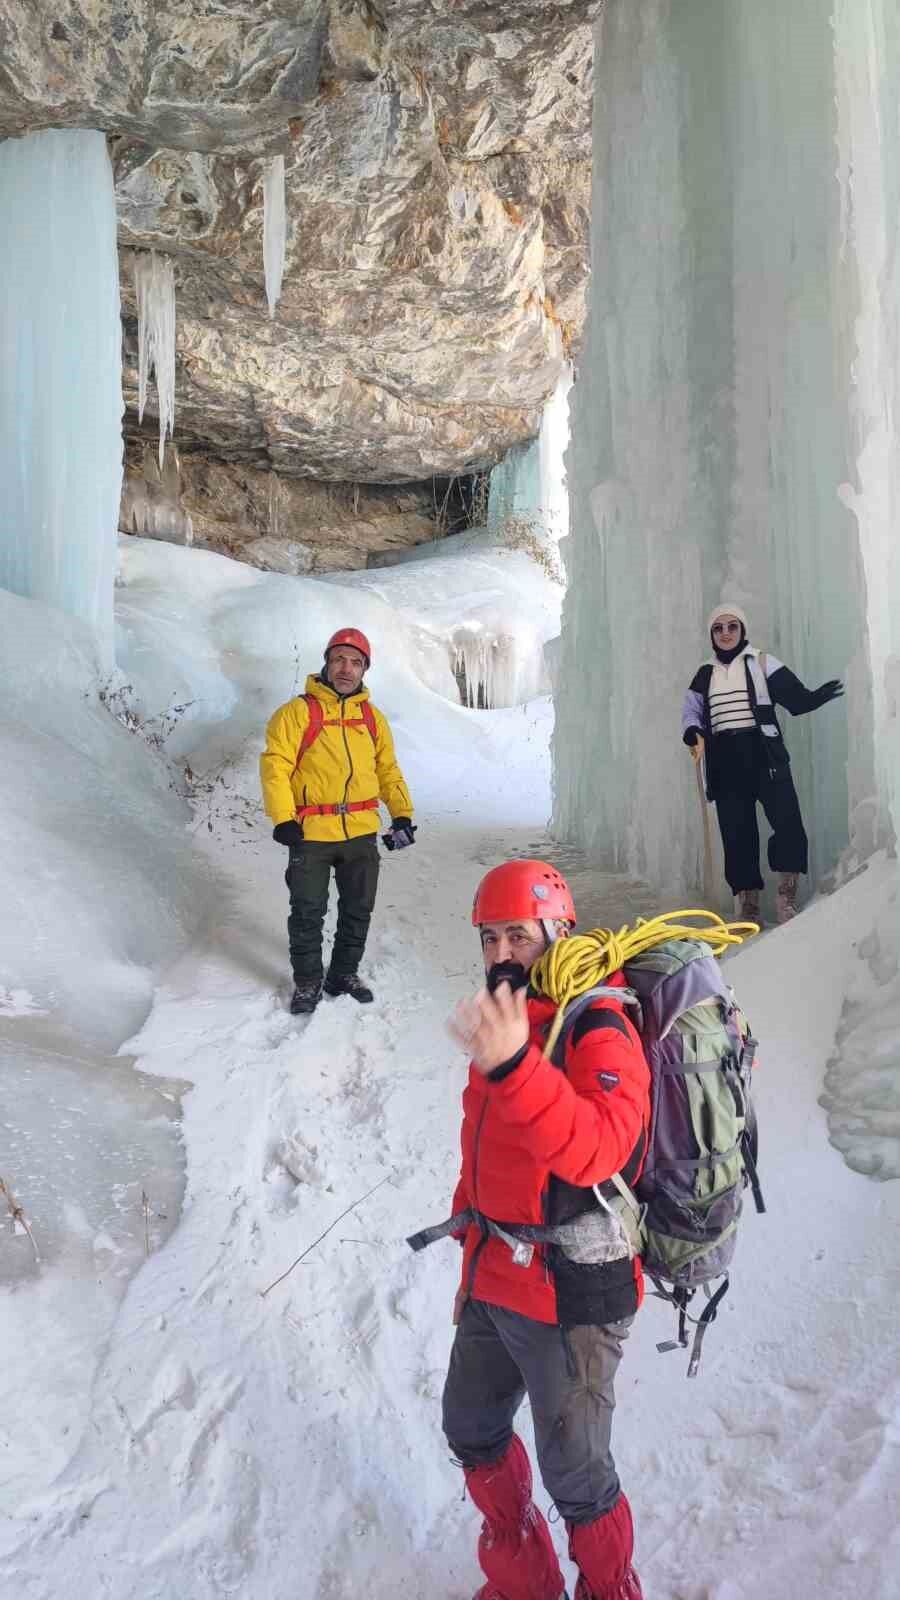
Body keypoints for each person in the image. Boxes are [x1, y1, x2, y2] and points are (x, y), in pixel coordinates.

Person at [435, 860, 649, 1600]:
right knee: (471, 1429)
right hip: (497, 1275)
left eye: (517, 936)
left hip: (572, 1292)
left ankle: (609, 1590)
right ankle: (526, 1585)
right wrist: (469, 1274)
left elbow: (598, 1146)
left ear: (559, 931)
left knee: (578, 1480)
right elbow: (480, 1160)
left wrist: (514, 1065)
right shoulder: (512, 1024)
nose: (500, 954)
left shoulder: (600, 1022)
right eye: (490, 938)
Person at [260, 627, 415, 1013]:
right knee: (308, 910)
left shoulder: (372, 718)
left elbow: (387, 770)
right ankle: (308, 982)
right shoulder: (297, 713)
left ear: (365, 670)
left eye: (356, 662)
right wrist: (283, 818)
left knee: (358, 909)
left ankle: (343, 973)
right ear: (327, 663)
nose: (347, 669)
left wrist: (402, 814)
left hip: (361, 832)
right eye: (339, 659)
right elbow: (275, 766)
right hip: (310, 833)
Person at [682, 603, 843, 923]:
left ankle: (786, 896)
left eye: (732, 626)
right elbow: (692, 712)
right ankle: (748, 906)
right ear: (711, 635)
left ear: (743, 629)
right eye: (719, 628)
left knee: (787, 822)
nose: (726, 633)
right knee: (736, 833)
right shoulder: (704, 673)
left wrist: (816, 697)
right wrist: (692, 732)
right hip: (724, 760)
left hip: (764, 753)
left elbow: (795, 698)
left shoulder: (762, 661)